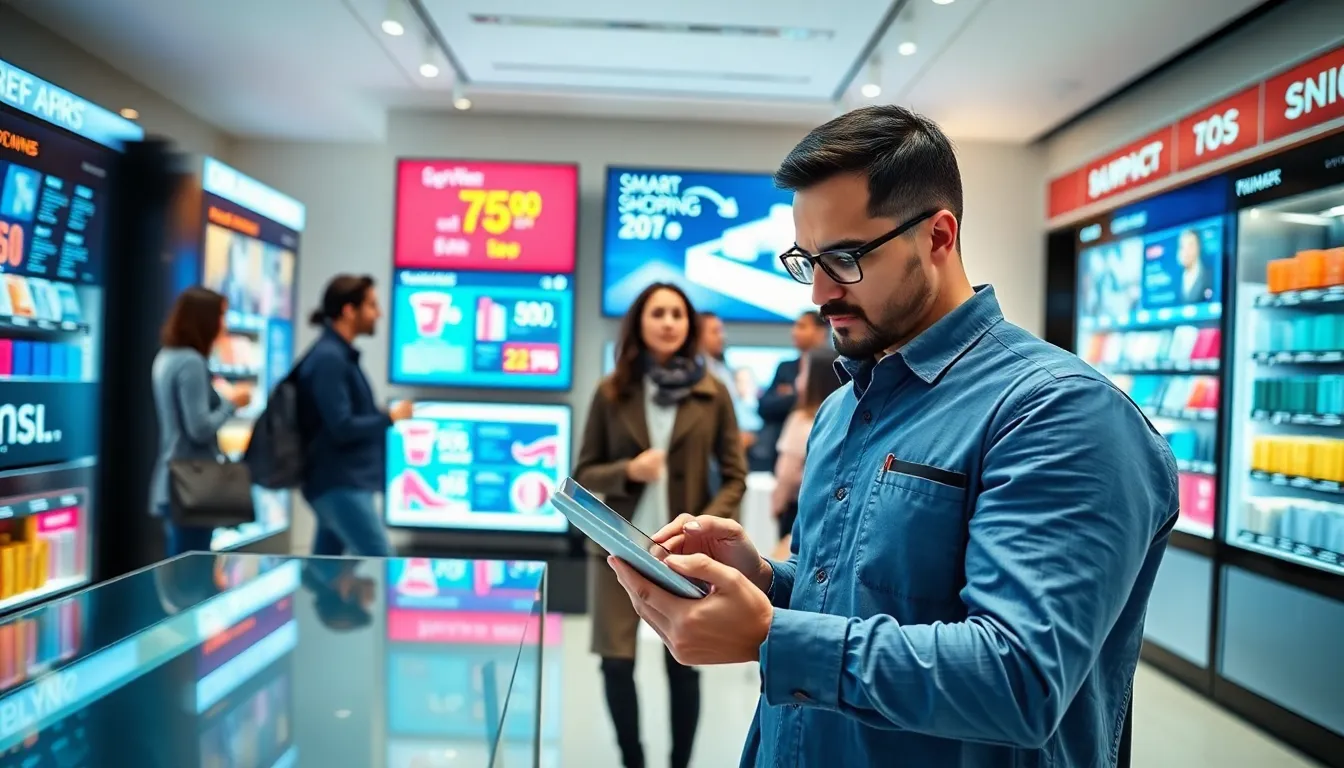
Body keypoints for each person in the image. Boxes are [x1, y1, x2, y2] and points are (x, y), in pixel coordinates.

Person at [605, 106, 1177, 768]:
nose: (819, 292)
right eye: (806, 260)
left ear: (938, 236)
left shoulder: (1063, 414)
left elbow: (1021, 680)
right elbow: (873, 597)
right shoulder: (845, 407)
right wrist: (765, 580)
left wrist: (771, 635)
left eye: (845, 259)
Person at [573, 281, 747, 768]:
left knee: (685, 659)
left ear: (689, 323)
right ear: (640, 324)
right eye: (658, 313)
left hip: (683, 554)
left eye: (677, 313)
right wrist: (628, 470)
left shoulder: (713, 394)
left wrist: (703, 525)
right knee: (615, 660)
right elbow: (585, 472)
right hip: (615, 549)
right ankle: (633, 761)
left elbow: (734, 476)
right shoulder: (611, 392)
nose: (669, 322)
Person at [297, 274, 412, 560]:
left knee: (325, 572)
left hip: (340, 482)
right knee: (384, 563)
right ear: (349, 311)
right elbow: (342, 426)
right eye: (372, 305)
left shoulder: (337, 356)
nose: (379, 314)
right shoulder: (330, 359)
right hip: (340, 484)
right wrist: (390, 418)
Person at [150, 287, 252, 556]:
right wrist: (232, 404)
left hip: (172, 482)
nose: (224, 323)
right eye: (221, 315)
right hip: (191, 485)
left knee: (179, 575)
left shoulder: (167, 356)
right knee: (192, 577)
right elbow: (200, 429)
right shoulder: (191, 362)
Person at [769, 346, 841, 560]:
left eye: (803, 372)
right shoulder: (843, 416)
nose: (798, 380)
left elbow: (787, 473)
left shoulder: (801, 420)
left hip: (797, 508)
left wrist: (777, 504)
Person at [751, 311, 827, 471]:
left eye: (802, 326)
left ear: (821, 332)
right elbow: (765, 406)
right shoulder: (786, 367)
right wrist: (797, 396)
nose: (795, 332)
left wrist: (789, 394)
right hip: (780, 450)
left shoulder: (833, 366)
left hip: (819, 449)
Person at [1178, 228, 1214, 304]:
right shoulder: (1177, 279)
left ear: (1198, 247)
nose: (1186, 252)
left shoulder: (1210, 276)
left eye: (1190, 246)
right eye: (1182, 247)